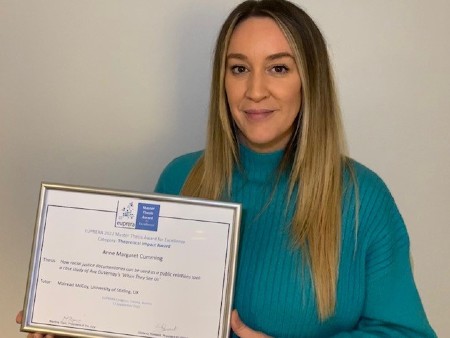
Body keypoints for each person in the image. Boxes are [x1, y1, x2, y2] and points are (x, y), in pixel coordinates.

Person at [17, 0, 436, 337]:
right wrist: (76, 322)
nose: (255, 90)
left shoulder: (363, 198)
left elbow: (406, 332)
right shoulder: (180, 178)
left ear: (310, 81)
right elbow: (147, 312)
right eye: (239, 69)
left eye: (278, 68)